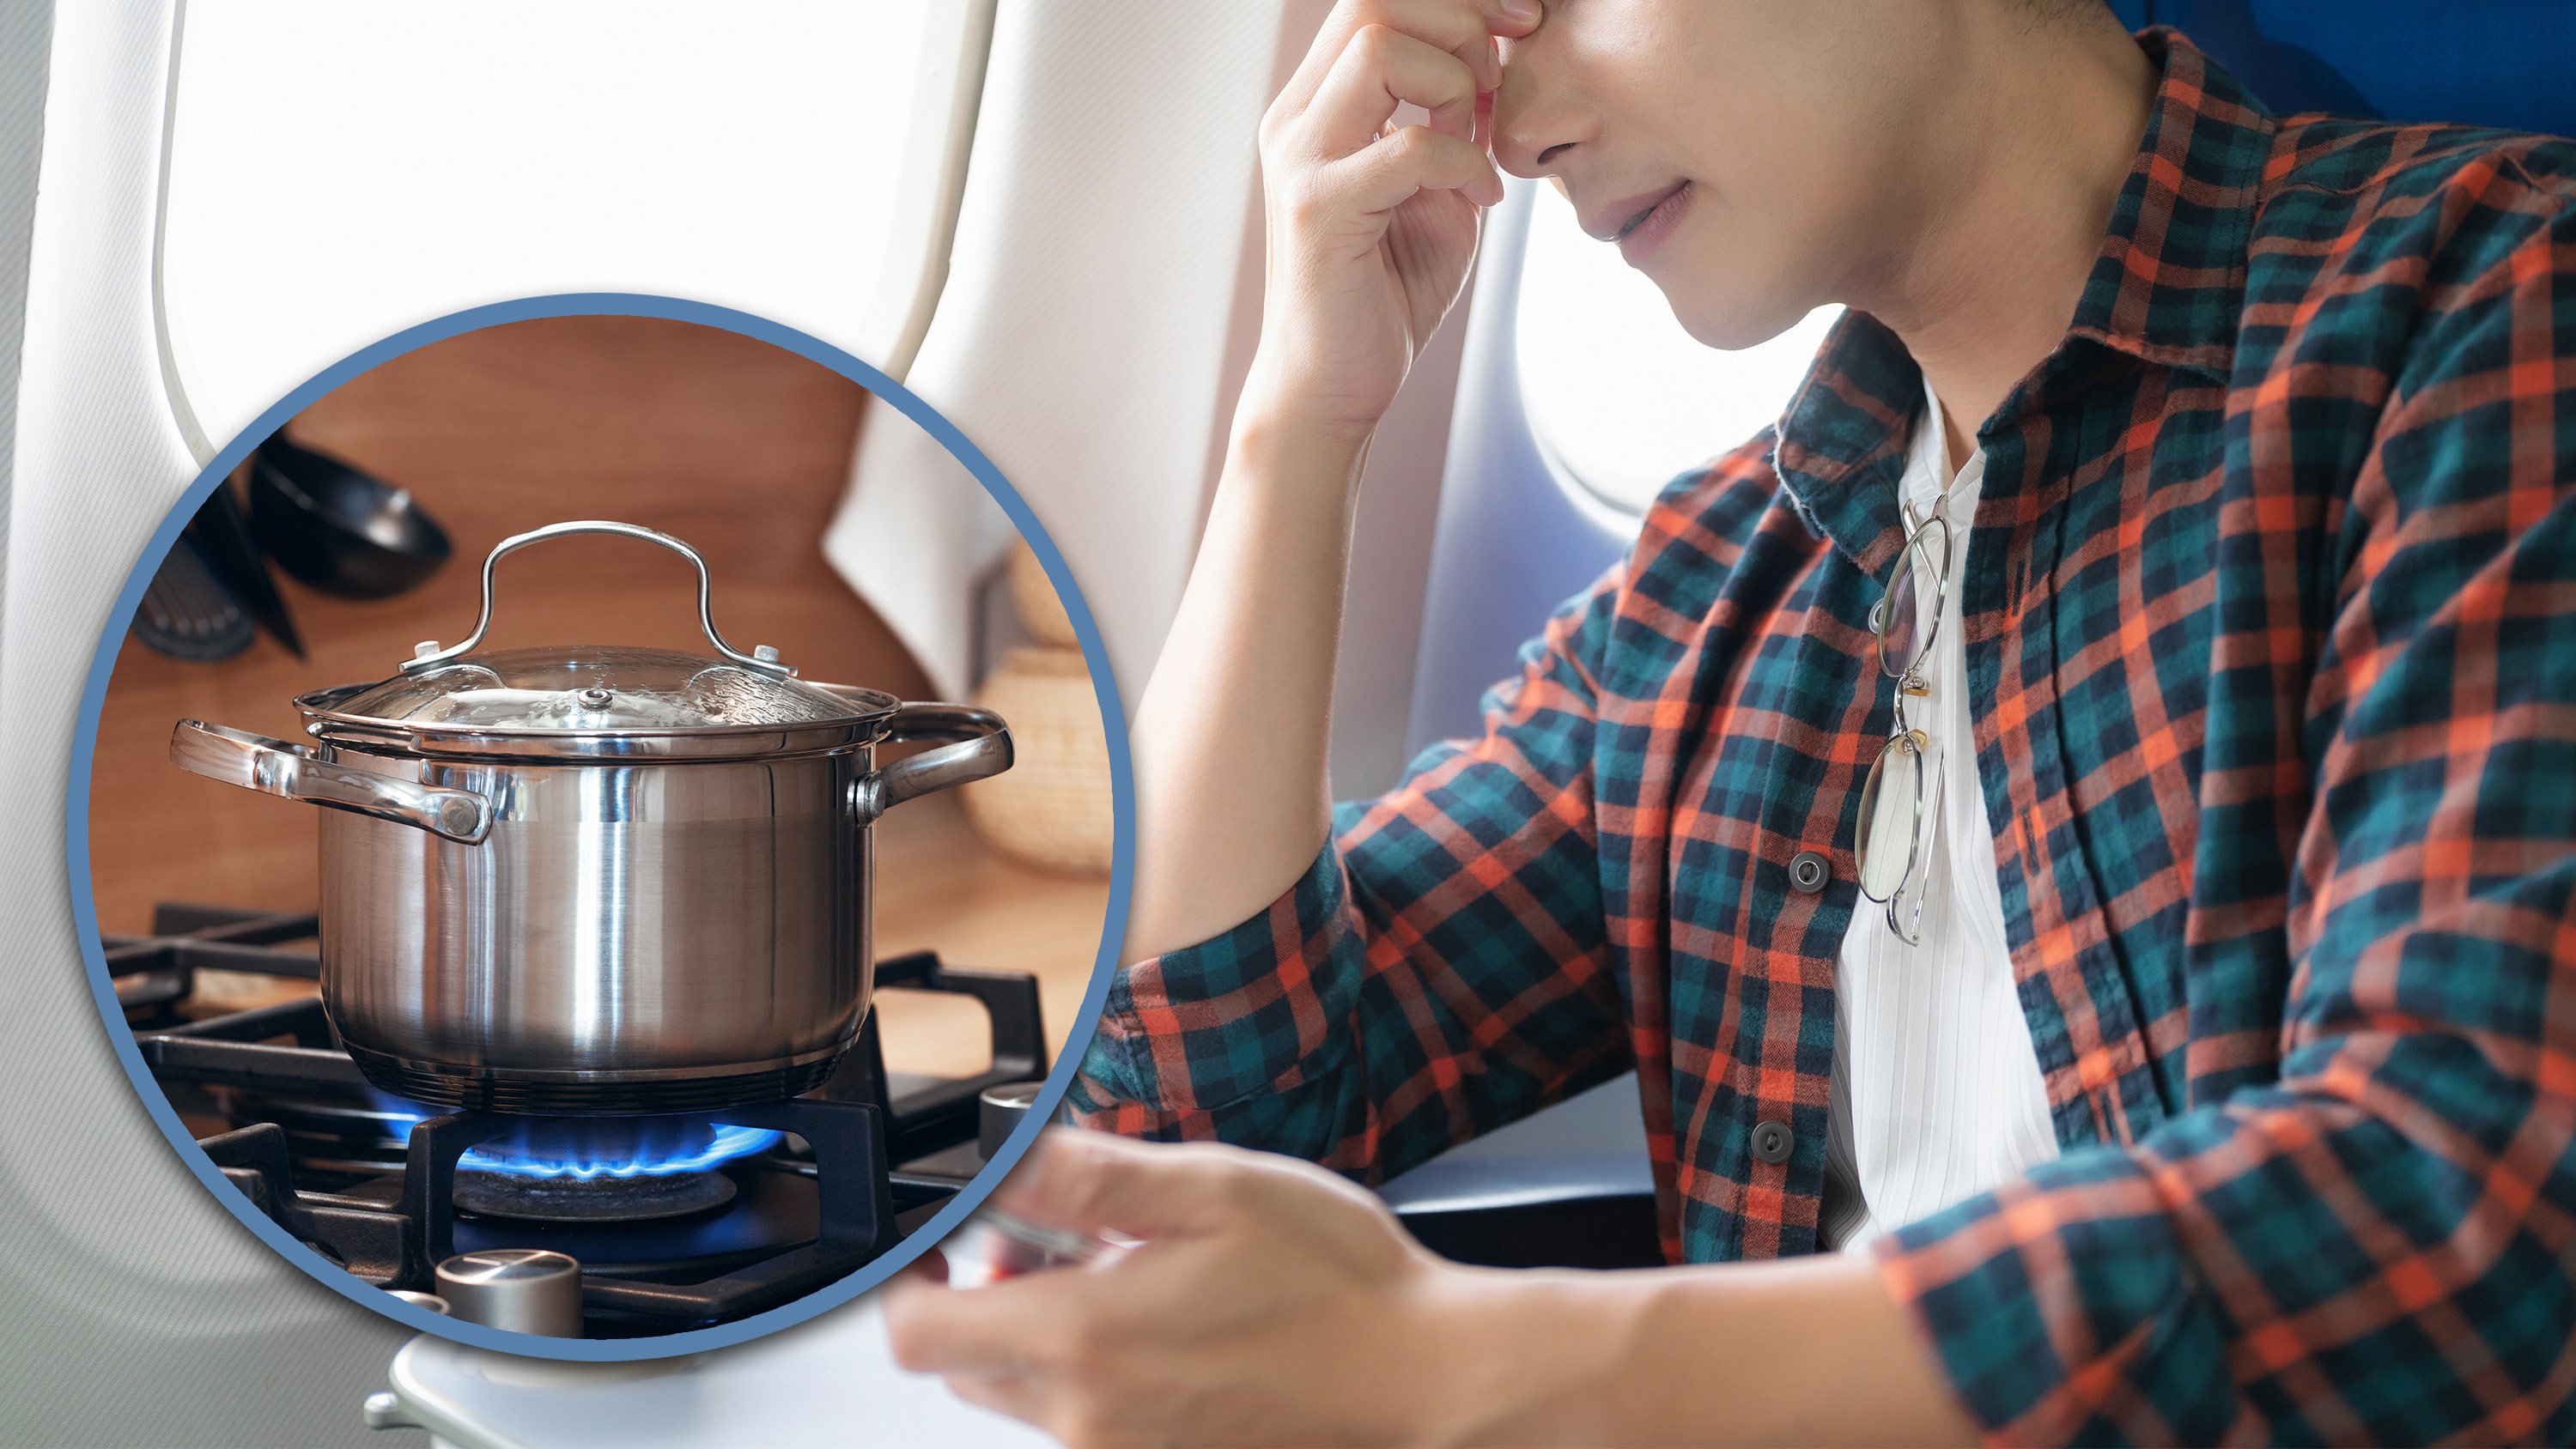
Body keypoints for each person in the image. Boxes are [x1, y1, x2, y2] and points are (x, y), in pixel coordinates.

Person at [888, 0, 2576, 1441]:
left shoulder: (2483, 311)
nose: (1516, 131)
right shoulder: (1723, 588)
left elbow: (2462, 1224)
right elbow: (1192, 1117)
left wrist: (1481, 1369)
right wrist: (1301, 418)